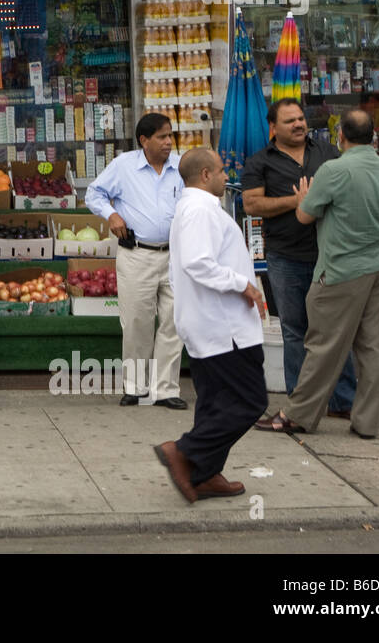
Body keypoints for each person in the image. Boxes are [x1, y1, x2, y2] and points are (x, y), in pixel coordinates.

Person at [254, 110, 379, 439]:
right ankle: (367, 422)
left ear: (341, 136)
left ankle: (297, 415)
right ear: (374, 137)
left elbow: (305, 216)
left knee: (323, 346)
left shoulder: (333, 170)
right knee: (374, 348)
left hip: (342, 269)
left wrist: (304, 198)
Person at [155, 148, 267, 504]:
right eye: (220, 171)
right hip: (223, 328)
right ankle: (185, 451)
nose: (226, 177)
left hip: (213, 324)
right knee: (250, 401)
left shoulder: (197, 209)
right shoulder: (199, 210)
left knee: (216, 403)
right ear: (204, 175)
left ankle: (203, 473)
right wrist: (243, 284)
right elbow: (197, 263)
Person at [242, 98, 355, 418]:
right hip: (286, 257)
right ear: (273, 128)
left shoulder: (328, 153)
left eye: (301, 119)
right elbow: (252, 205)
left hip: (330, 255)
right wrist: (298, 201)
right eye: (290, 120)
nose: (299, 124)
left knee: (335, 329)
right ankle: (300, 402)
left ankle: (344, 400)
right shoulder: (259, 161)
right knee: (295, 331)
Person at [85, 113, 186, 408]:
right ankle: (135, 386)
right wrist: (112, 215)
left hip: (174, 255)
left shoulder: (182, 166)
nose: (168, 142)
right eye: (162, 137)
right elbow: (94, 193)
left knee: (173, 322)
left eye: (170, 136)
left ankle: (166, 389)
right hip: (137, 253)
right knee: (137, 322)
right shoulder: (123, 165)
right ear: (144, 140)